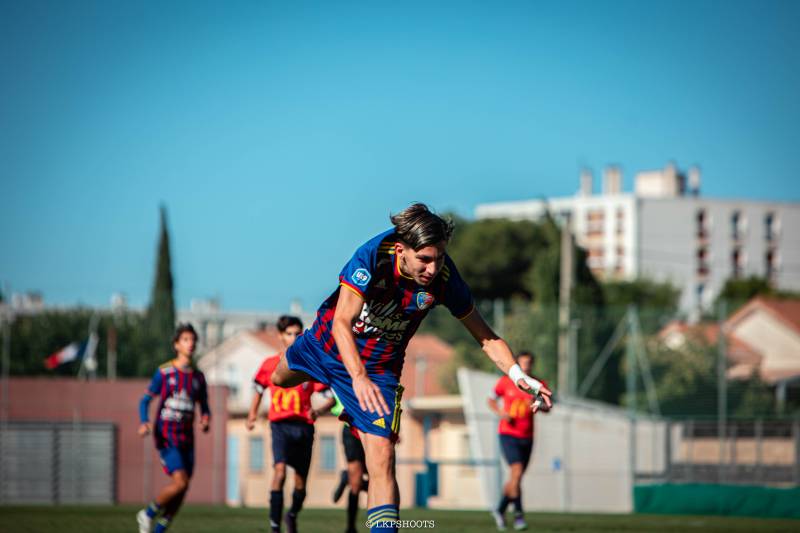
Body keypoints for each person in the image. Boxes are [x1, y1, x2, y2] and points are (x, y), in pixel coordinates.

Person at [270, 203, 553, 533]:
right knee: (279, 378)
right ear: (401, 249)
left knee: (382, 457)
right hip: (326, 345)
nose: (433, 268)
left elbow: (486, 337)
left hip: (379, 370)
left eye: (440, 258)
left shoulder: (445, 278)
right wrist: (356, 376)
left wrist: (518, 375)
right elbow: (342, 322)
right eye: (425, 259)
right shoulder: (372, 256)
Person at [246, 315, 332, 533]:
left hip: (303, 428)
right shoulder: (269, 364)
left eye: (297, 333)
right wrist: (252, 414)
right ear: (280, 336)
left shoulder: (309, 366)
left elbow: (330, 397)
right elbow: (258, 389)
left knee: (300, 484)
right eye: (289, 333)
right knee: (279, 472)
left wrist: (319, 410)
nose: (293, 337)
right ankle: (275, 526)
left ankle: (292, 513)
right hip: (280, 426)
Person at [137, 323, 210, 533]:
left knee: (183, 488)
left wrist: (205, 419)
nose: (190, 343)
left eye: (193, 339)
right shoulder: (164, 372)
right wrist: (144, 421)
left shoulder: (198, 377)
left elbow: (204, 406)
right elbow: (144, 400)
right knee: (180, 483)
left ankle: (158, 530)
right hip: (167, 436)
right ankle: (147, 513)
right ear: (176, 345)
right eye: (185, 339)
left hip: (188, 438)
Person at [487, 351, 551, 531]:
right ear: (517, 364)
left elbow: (547, 407)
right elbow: (491, 400)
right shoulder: (505, 381)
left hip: (527, 436)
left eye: (529, 363)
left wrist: (538, 404)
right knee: (516, 471)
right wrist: (501, 412)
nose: (526, 366)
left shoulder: (537, 384)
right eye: (523, 363)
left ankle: (500, 509)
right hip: (508, 434)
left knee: (516, 477)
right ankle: (518, 515)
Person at [329, 390, 369, 533]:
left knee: (379, 479)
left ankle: (347, 477)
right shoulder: (348, 380)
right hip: (351, 429)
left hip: (373, 429)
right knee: (356, 483)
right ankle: (351, 527)